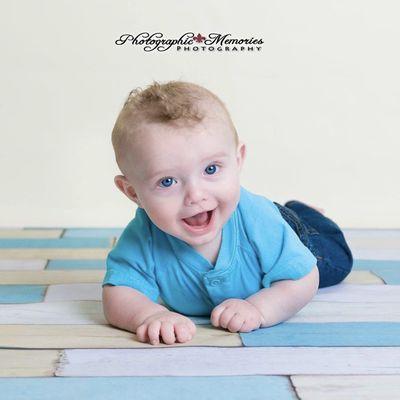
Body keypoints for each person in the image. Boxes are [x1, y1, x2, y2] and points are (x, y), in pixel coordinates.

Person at [102, 80, 353, 346]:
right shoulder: (143, 236)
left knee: (335, 263)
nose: (196, 195)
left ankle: (304, 213)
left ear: (238, 159)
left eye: (211, 169)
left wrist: (258, 309)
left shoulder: (259, 220)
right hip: (236, 213)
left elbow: (303, 277)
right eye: (167, 182)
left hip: (293, 231)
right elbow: (119, 292)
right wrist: (149, 314)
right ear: (133, 193)